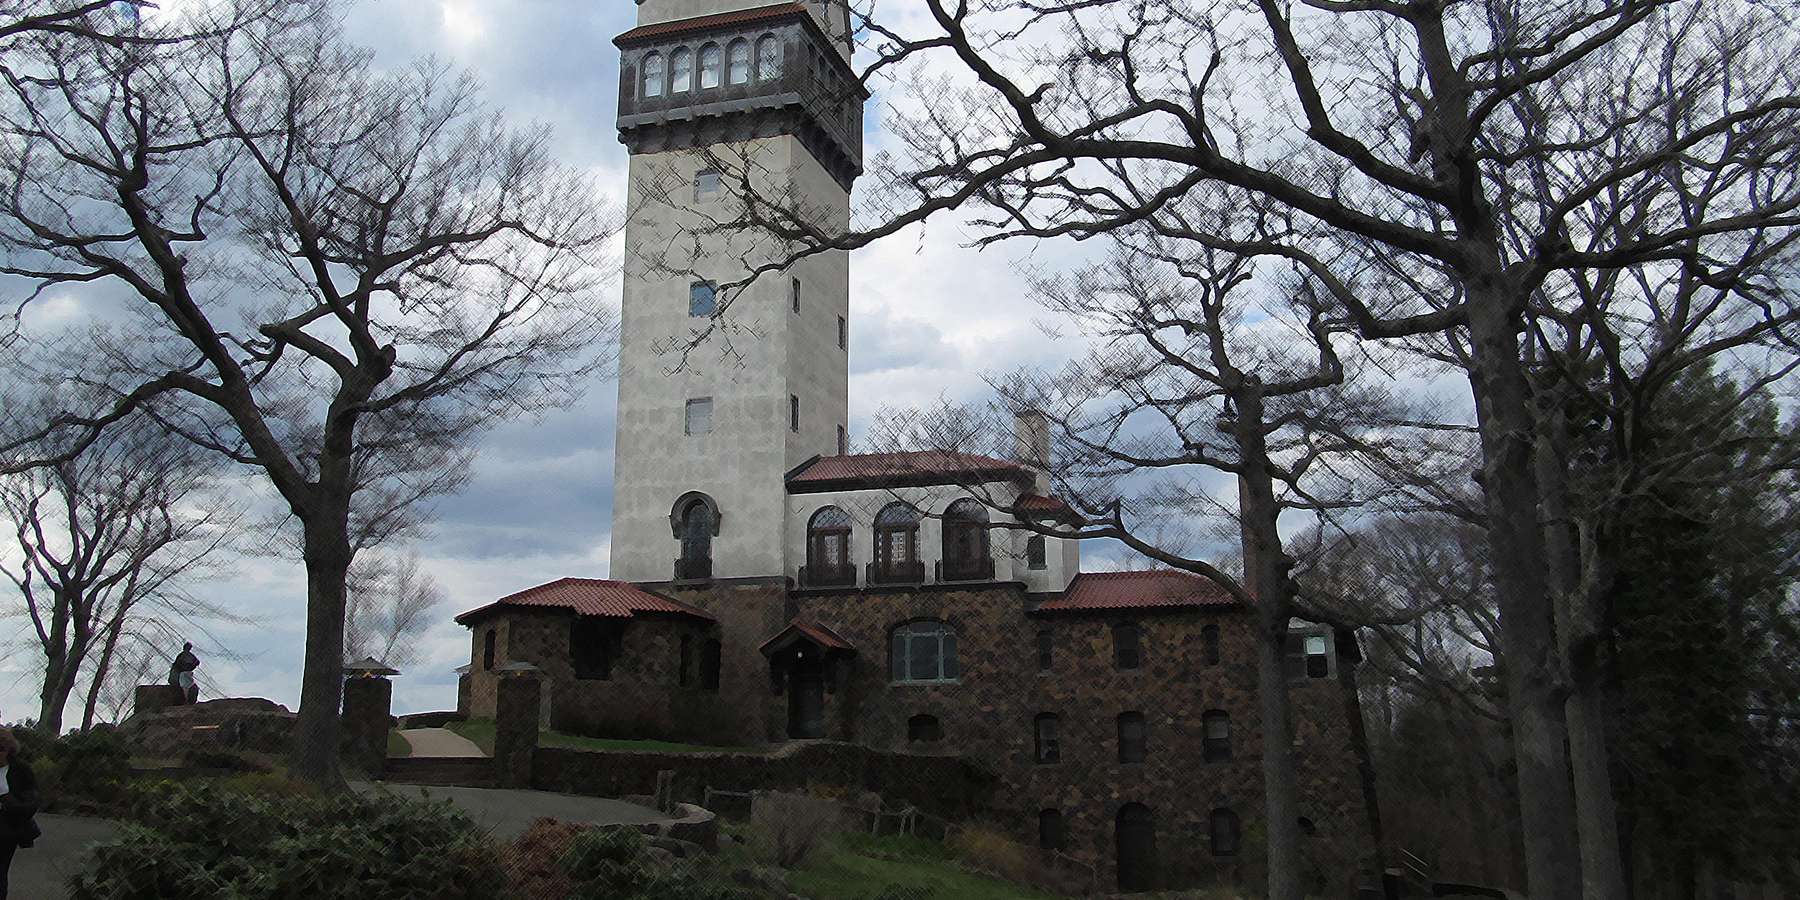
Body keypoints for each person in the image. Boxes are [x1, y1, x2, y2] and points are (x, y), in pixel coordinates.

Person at [0, 727, 40, 900]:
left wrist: (6, 799)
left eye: (0, 749)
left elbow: (31, 804)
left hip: (5, 830)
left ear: (9, 749)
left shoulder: (20, 770)